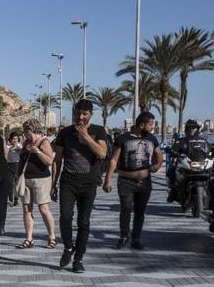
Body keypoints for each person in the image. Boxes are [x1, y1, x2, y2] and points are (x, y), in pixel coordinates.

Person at [52, 99, 109, 273]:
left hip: (89, 182)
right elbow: (57, 159)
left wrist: (85, 136)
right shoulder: (65, 132)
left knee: (83, 221)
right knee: (65, 217)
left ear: (91, 114)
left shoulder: (98, 131)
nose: (80, 117)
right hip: (68, 181)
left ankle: (79, 258)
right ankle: (68, 248)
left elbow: (102, 153)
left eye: (85, 114)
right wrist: (53, 184)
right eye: (78, 113)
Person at [103, 112, 163, 250]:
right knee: (126, 208)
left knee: (140, 211)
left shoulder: (152, 139)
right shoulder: (123, 139)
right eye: (150, 124)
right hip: (126, 182)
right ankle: (124, 236)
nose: (153, 127)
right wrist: (108, 180)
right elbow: (113, 160)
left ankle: (136, 239)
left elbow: (159, 155)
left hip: (145, 182)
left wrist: (157, 166)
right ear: (141, 124)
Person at [15, 119, 56, 249]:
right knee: (27, 209)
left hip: (41, 180)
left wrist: (37, 152)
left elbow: (50, 161)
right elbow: (21, 160)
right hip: (26, 179)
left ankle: (52, 237)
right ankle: (29, 238)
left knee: (43, 208)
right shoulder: (26, 143)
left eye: (26, 131)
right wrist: (18, 175)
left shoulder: (44, 142)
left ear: (32, 130)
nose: (25, 134)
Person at [168, 119, 209, 202]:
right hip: (186, 163)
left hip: (200, 163)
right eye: (190, 127)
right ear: (186, 129)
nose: (192, 129)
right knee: (172, 170)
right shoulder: (182, 140)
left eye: (194, 127)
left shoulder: (203, 141)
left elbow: (209, 149)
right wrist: (173, 151)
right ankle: (173, 192)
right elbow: (174, 149)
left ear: (198, 129)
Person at [6, 132, 23, 206]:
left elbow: (21, 151)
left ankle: (16, 200)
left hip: (17, 165)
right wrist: (11, 148)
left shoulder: (20, 146)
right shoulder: (8, 147)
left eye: (16, 139)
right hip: (9, 165)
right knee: (10, 183)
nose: (15, 140)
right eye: (13, 139)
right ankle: (10, 199)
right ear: (10, 139)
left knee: (17, 183)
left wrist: (17, 148)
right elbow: (6, 155)